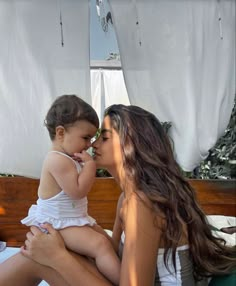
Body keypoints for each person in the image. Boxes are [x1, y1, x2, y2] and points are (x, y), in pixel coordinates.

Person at [0, 104, 235, 286]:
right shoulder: (128, 198)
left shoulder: (141, 204)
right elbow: (114, 254)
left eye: (104, 137)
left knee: (38, 260)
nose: (93, 145)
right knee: (38, 256)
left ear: (129, 144)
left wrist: (57, 257)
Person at [21, 94, 120, 285]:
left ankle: (110, 274)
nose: (90, 144)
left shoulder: (67, 158)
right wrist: (90, 167)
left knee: (103, 239)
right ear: (60, 133)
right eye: (86, 137)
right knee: (100, 245)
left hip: (70, 221)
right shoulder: (57, 160)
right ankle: (123, 281)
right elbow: (77, 191)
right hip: (56, 224)